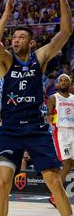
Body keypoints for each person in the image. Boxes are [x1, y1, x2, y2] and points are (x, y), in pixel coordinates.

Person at [0, 0, 74, 216]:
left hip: (36, 130)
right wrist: (6, 15)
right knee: (2, 183)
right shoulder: (5, 62)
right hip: (10, 131)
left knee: (53, 182)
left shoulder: (39, 58)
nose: (15, 41)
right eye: (14, 38)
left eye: (21, 38)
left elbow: (65, 32)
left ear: (31, 41)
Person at [47, 74, 74, 208]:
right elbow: (47, 116)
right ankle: (54, 197)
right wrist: (50, 121)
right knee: (66, 165)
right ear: (58, 84)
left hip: (73, 131)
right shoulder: (53, 98)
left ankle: (56, 192)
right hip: (61, 133)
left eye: (66, 81)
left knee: (70, 165)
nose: (63, 82)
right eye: (61, 81)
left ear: (70, 83)